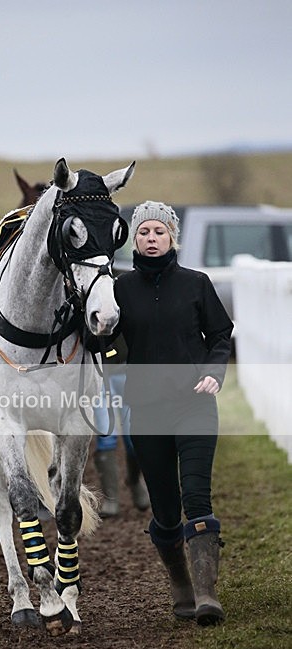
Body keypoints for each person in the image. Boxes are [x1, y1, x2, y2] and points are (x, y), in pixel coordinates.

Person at [114, 201, 233, 626]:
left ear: (172, 237)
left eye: (159, 232)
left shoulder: (196, 283)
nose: (151, 239)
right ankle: (180, 581)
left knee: (197, 497)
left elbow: (220, 334)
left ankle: (206, 594)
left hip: (194, 403)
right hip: (147, 409)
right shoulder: (120, 289)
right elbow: (101, 342)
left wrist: (213, 372)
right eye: (144, 232)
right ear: (134, 238)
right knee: (165, 510)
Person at [93, 337, 150, 517]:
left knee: (133, 436)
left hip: (126, 369)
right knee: (105, 433)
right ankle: (110, 498)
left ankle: (134, 480)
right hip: (96, 373)